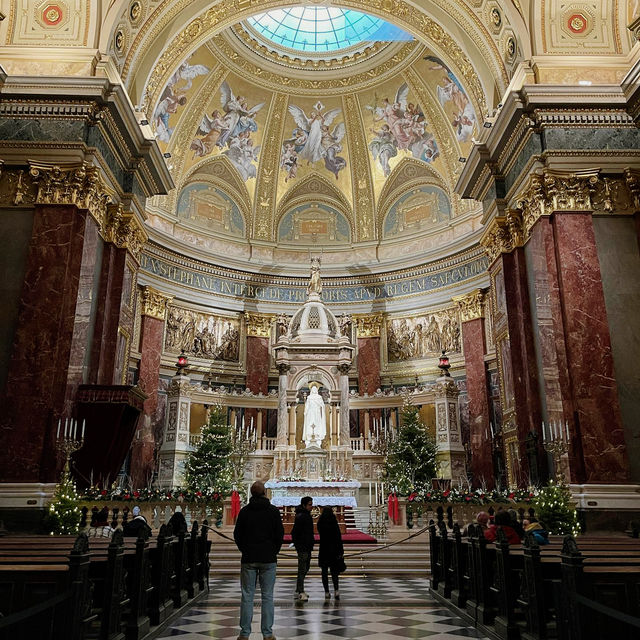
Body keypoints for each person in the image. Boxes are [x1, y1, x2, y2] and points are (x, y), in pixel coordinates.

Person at [233, 480, 284, 640]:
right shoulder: (273, 511)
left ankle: (244, 633)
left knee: (247, 596)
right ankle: (267, 634)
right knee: (267, 596)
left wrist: (245, 549)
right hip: (268, 559)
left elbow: (237, 534)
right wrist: (273, 550)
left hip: (249, 558)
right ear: (265, 493)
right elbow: (279, 535)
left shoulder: (245, 511)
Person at [317, 506, 344, 600]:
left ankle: (327, 592)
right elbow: (338, 537)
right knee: (334, 572)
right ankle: (336, 590)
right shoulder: (334, 522)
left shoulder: (320, 522)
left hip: (324, 549)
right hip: (334, 549)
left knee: (324, 572)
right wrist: (341, 551)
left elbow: (319, 532)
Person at [291, 496, 314, 601]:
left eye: (312, 504)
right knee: (302, 569)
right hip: (303, 546)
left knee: (306, 567)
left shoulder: (306, 515)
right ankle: (300, 591)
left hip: (308, 545)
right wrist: (298, 544)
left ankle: (298, 589)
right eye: (310, 504)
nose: (312, 507)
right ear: (304, 505)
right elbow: (295, 532)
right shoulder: (301, 516)